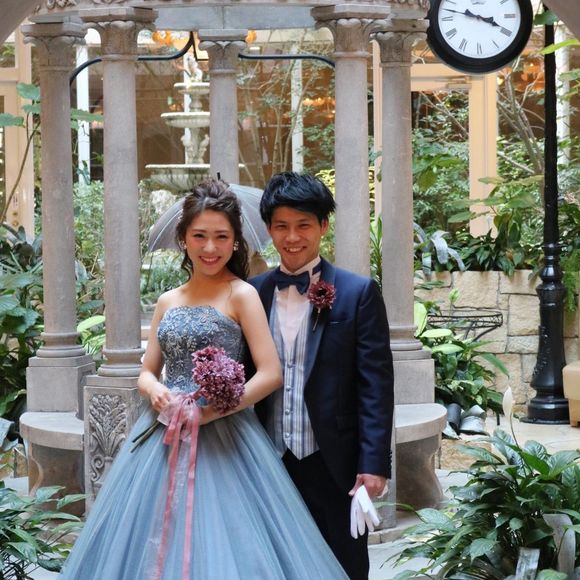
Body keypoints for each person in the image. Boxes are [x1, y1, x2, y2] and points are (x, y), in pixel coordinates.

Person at [60, 179, 348, 580]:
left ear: (235, 242)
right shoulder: (168, 300)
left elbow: (270, 374)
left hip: (226, 437)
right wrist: (155, 390)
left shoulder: (241, 294)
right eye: (199, 236)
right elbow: (146, 370)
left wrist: (211, 411)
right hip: (161, 434)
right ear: (184, 239)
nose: (210, 247)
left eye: (221, 237)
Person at [250, 172, 394, 580]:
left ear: (323, 226)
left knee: (344, 566)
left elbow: (375, 387)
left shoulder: (357, 292)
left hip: (335, 463)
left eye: (304, 225)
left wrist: (374, 463)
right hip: (270, 461)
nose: (292, 237)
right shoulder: (253, 293)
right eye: (282, 226)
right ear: (269, 229)